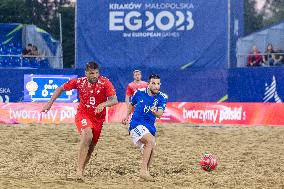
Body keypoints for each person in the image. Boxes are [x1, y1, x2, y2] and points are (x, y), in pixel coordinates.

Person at [41, 61, 118, 180]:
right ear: (86, 73)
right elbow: (60, 89)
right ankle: (78, 172)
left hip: (98, 119)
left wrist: (103, 104)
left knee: (91, 147)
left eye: (97, 73)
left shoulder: (105, 82)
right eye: (92, 73)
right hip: (83, 114)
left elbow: (114, 100)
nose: (95, 76)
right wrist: (49, 103)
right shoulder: (79, 82)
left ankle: (81, 170)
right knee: (87, 135)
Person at [122, 74, 168, 181]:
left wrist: (156, 112)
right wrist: (126, 117)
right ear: (148, 84)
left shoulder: (162, 97)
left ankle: (145, 172)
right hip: (136, 124)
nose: (156, 86)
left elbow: (160, 114)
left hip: (150, 128)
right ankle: (143, 171)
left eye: (158, 84)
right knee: (150, 141)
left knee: (152, 149)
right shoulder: (139, 93)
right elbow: (131, 104)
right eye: (153, 83)